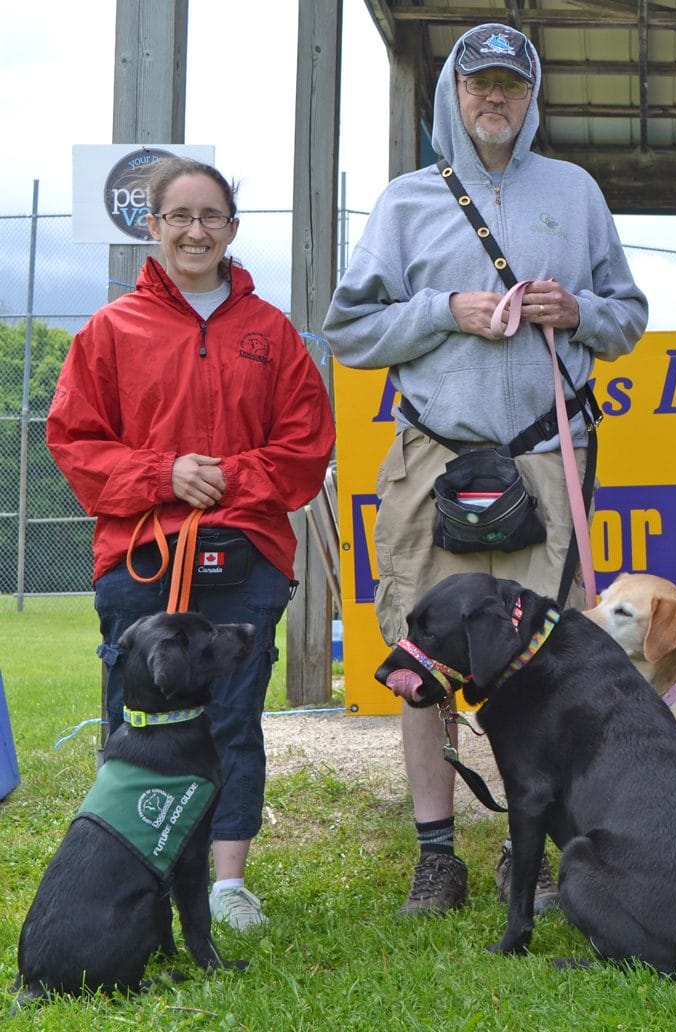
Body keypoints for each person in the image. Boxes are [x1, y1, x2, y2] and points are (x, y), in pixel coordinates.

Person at [323, 23, 647, 917]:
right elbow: (348, 330)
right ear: (453, 96)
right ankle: (438, 854)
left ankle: (527, 850)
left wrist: (577, 308)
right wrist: (442, 312)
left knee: (540, 661)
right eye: (478, 85)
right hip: (435, 459)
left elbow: (629, 317)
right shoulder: (405, 202)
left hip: (547, 457)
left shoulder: (575, 195)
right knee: (419, 659)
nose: (494, 99)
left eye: (509, 84)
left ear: (531, 95)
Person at [46, 157, 336, 931]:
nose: (196, 231)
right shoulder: (110, 331)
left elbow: (306, 446)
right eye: (181, 216)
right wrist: (164, 475)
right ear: (153, 227)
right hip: (140, 558)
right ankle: (129, 872)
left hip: (243, 562)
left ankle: (225, 885)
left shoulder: (270, 333)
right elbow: (75, 442)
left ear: (233, 230)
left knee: (233, 717)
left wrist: (224, 483)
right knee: (133, 721)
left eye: (212, 217)